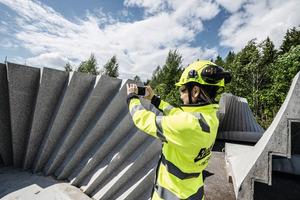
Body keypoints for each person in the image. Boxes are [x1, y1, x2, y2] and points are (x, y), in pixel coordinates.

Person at [126, 60, 231, 200]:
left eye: (183, 90)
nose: (181, 95)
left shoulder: (187, 125)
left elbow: (144, 120)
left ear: (195, 91)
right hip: (194, 193)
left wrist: (131, 97)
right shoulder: (210, 118)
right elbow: (177, 113)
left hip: (171, 195)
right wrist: (155, 100)